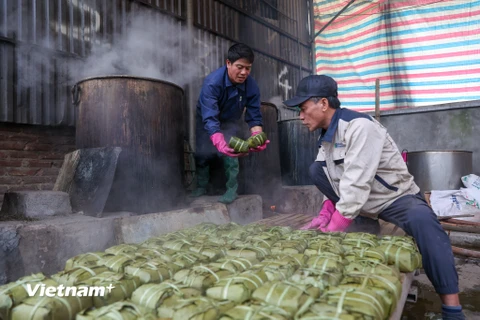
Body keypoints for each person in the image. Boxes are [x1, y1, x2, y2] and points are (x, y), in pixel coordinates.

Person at [283, 75, 465, 320]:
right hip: (362, 204)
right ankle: (364, 222)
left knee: (424, 222)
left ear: (323, 104)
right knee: (315, 169)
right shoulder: (327, 135)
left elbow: (357, 183)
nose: (301, 117)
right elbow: (334, 177)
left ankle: (452, 308)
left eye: (303, 109)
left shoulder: (360, 127)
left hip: (394, 199)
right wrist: (327, 211)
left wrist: (334, 228)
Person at [191, 43, 269, 204]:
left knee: (231, 153)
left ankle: (231, 189)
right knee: (202, 154)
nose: (244, 73)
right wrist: (217, 140)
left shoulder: (251, 86)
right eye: (239, 67)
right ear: (228, 63)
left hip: (230, 121)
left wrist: (257, 134)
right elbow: (210, 117)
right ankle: (200, 186)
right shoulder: (212, 83)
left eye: (248, 68)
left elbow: (254, 115)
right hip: (207, 119)